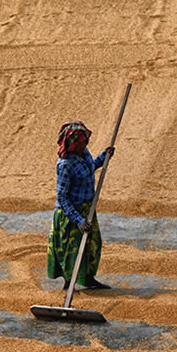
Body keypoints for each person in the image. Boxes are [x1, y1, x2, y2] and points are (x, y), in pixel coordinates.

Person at [47, 121, 115, 290]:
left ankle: (88, 279)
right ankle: (68, 284)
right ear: (74, 144)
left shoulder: (84, 153)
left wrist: (104, 157)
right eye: (83, 142)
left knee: (92, 244)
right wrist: (78, 220)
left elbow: (91, 167)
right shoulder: (65, 165)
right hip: (70, 214)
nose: (86, 144)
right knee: (72, 249)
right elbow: (62, 197)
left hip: (87, 208)